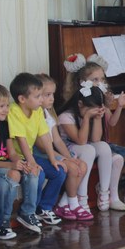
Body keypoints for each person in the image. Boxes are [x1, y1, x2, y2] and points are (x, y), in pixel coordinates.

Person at [62, 56, 125, 210]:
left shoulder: (101, 103)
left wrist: (118, 106)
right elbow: (88, 140)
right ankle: (110, 196)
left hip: (97, 144)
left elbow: (110, 124)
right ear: (82, 82)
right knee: (116, 159)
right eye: (95, 79)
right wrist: (91, 116)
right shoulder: (73, 109)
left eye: (102, 79)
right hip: (81, 146)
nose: (100, 83)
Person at [33, 74, 91, 223]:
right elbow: (42, 147)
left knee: (81, 166)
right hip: (41, 154)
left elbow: (57, 140)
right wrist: (64, 159)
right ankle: (70, 204)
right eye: (47, 95)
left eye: (52, 94)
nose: (52, 98)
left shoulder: (48, 114)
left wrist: (69, 158)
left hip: (51, 152)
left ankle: (65, 203)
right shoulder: (35, 115)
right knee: (69, 168)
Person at [7, 73, 59, 234]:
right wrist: (32, 163)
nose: (41, 100)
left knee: (59, 171)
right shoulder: (14, 111)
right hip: (15, 156)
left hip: (28, 155)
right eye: (37, 96)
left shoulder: (36, 111)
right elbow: (21, 140)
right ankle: (27, 212)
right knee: (36, 174)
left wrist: (53, 159)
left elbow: (45, 136)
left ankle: (43, 208)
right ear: (22, 99)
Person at [0, 83, 30, 240]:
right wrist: (11, 165)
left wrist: (20, 162)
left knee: (14, 177)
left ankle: (4, 223)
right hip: (1, 167)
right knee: (11, 178)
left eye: (7, 106)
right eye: (1, 106)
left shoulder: (4, 124)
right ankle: (2, 223)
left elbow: (11, 152)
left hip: (3, 168)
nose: (6, 110)